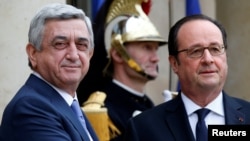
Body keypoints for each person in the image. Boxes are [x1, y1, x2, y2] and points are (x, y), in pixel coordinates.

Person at [123, 14, 250, 141]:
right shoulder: (143, 128)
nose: (208, 59)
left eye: (215, 49)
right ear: (174, 63)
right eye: (195, 51)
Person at [0, 3, 99, 141]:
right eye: (60, 44)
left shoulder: (68, 104)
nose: (74, 55)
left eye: (81, 45)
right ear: (33, 53)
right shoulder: (31, 108)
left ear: (90, 54)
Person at [77, 0, 167, 140]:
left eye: (155, 49)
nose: (156, 59)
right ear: (118, 54)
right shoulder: (100, 111)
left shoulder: (148, 104)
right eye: (147, 48)